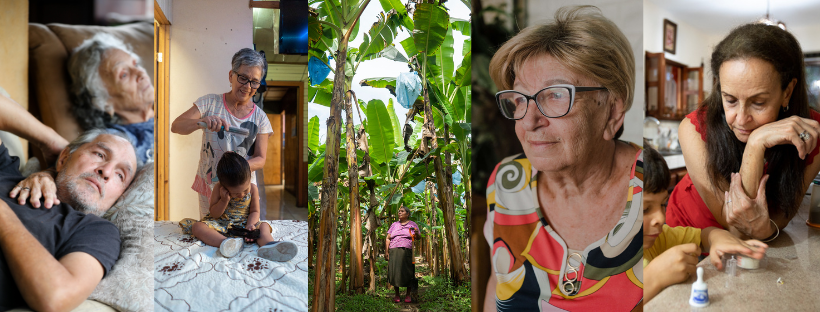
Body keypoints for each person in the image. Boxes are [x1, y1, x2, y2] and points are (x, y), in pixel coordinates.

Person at [483, 6, 643, 310]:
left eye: (555, 95)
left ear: (612, 111)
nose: (529, 122)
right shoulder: (506, 182)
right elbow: (498, 285)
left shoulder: (653, 190)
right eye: (519, 99)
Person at [666, 23, 820, 241]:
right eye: (730, 100)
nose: (740, 119)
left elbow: (780, 218)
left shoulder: (811, 131)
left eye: (758, 103)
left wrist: (765, 228)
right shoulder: (693, 129)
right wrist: (756, 144)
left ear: (787, 92)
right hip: (689, 238)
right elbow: (737, 228)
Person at [10, 32, 155, 209]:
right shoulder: (118, 141)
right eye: (124, 74)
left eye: (136, 64)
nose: (140, 72)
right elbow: (75, 168)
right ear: (104, 102)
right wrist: (46, 173)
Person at [0, 129, 139, 311]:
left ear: (120, 196)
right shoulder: (7, 171)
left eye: (120, 175)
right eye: (99, 154)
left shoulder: (97, 232)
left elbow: (56, 297)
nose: (106, 171)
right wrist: (49, 141)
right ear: (65, 158)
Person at [642, 140, 767, 302]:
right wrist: (653, 277)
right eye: (645, 209)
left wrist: (718, 238)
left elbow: (703, 236)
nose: (660, 218)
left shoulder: (659, 238)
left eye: (662, 204)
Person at [171, 48, 272, 219]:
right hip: (210, 185)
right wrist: (202, 122)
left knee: (241, 234)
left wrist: (235, 170)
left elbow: (260, 159)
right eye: (243, 78)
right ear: (231, 75)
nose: (247, 86)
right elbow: (176, 126)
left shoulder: (260, 118)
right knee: (210, 229)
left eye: (254, 82)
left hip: (243, 188)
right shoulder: (210, 102)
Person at [179, 152, 296, 262]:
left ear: (250, 177)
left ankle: (270, 246)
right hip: (222, 225)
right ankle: (226, 243)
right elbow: (214, 214)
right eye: (235, 193)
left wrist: (250, 225)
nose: (241, 195)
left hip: (245, 225)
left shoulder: (253, 189)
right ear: (223, 186)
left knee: (263, 226)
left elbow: (255, 211)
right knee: (197, 227)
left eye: (245, 190)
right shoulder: (218, 189)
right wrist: (224, 201)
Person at [386, 206, 420, 303]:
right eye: (399, 211)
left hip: (407, 251)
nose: (399, 213)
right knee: (395, 272)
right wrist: (386, 251)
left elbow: (418, 238)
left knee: (408, 272)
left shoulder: (413, 224)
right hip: (394, 250)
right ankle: (396, 294)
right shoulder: (394, 225)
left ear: (408, 214)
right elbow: (388, 238)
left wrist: (417, 233)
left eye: (402, 211)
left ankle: (408, 294)